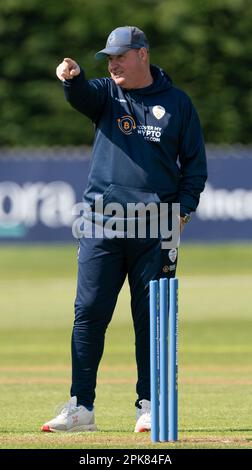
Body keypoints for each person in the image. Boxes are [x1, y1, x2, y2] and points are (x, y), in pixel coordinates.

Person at [41, 26, 207, 433]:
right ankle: (81, 407)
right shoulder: (105, 94)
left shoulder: (178, 104)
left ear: (142, 55)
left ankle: (148, 407)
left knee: (150, 318)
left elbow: (195, 168)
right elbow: (81, 96)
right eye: (108, 58)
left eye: (119, 56)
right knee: (89, 313)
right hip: (101, 223)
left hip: (156, 229)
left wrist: (182, 212)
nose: (112, 63)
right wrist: (74, 78)